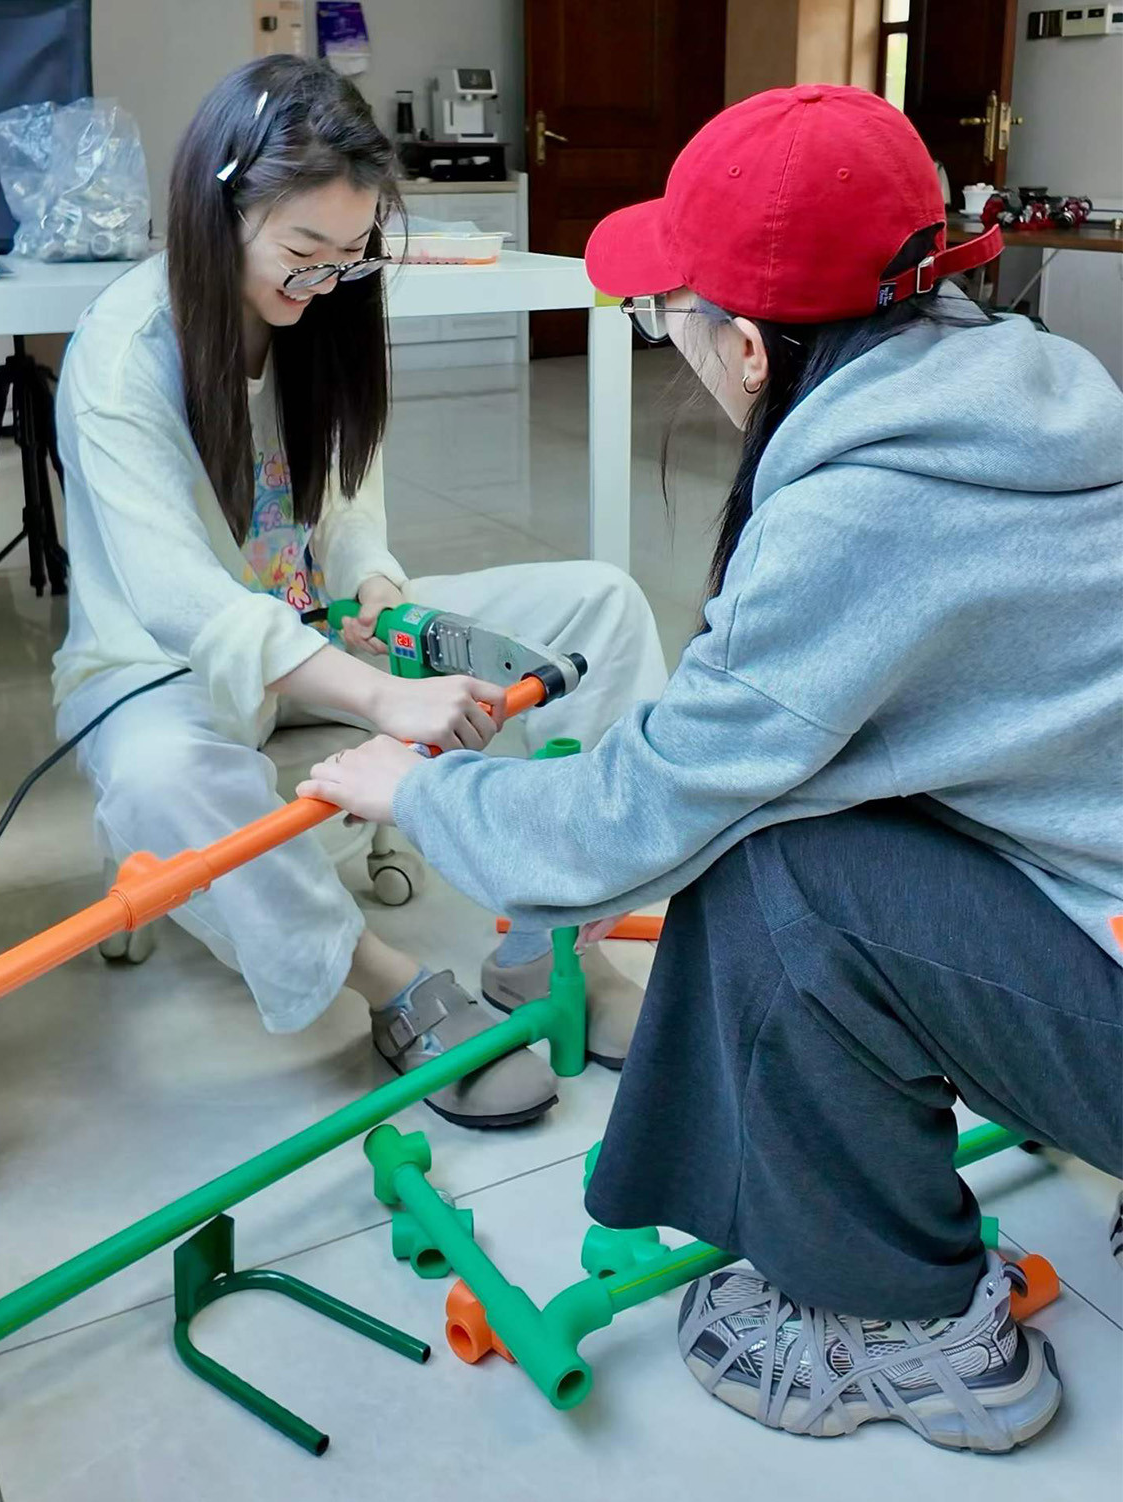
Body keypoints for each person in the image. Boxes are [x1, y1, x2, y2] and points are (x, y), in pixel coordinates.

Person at [299, 86, 1123, 1451]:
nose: (666, 338)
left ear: (745, 346)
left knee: (779, 872)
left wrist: (421, 789)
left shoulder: (861, 512)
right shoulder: (1043, 393)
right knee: (813, 825)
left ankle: (918, 1331)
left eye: (665, 315)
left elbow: (642, 810)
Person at [53, 55, 667, 1130]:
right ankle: (391, 985)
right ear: (218, 210)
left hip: (319, 634)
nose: (323, 281)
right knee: (162, 777)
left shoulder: (325, 312)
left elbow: (343, 510)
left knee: (600, 607)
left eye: (348, 257)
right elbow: (178, 599)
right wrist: (383, 696)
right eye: (302, 253)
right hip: (161, 671)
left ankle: (555, 943)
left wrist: (384, 599)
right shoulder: (125, 353)